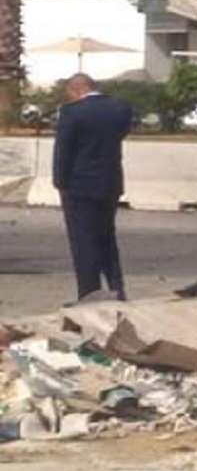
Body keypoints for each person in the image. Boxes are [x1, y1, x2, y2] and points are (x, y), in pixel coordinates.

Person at [52, 73, 133, 301]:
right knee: (107, 238)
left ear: (76, 90)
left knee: (83, 242)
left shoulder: (72, 112)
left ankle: (89, 293)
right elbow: (119, 136)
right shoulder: (120, 110)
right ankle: (117, 289)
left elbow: (63, 151)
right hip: (110, 183)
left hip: (79, 185)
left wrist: (60, 182)